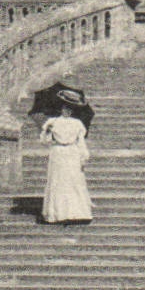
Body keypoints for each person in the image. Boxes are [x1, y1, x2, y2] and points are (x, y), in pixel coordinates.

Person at [39, 90, 93, 223]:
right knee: (58, 181)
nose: (67, 111)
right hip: (58, 152)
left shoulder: (77, 123)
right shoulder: (52, 122)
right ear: (61, 108)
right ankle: (58, 214)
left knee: (73, 181)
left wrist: (83, 156)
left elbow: (80, 141)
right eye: (65, 108)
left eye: (70, 108)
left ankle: (76, 213)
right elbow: (44, 141)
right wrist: (48, 132)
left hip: (72, 152)